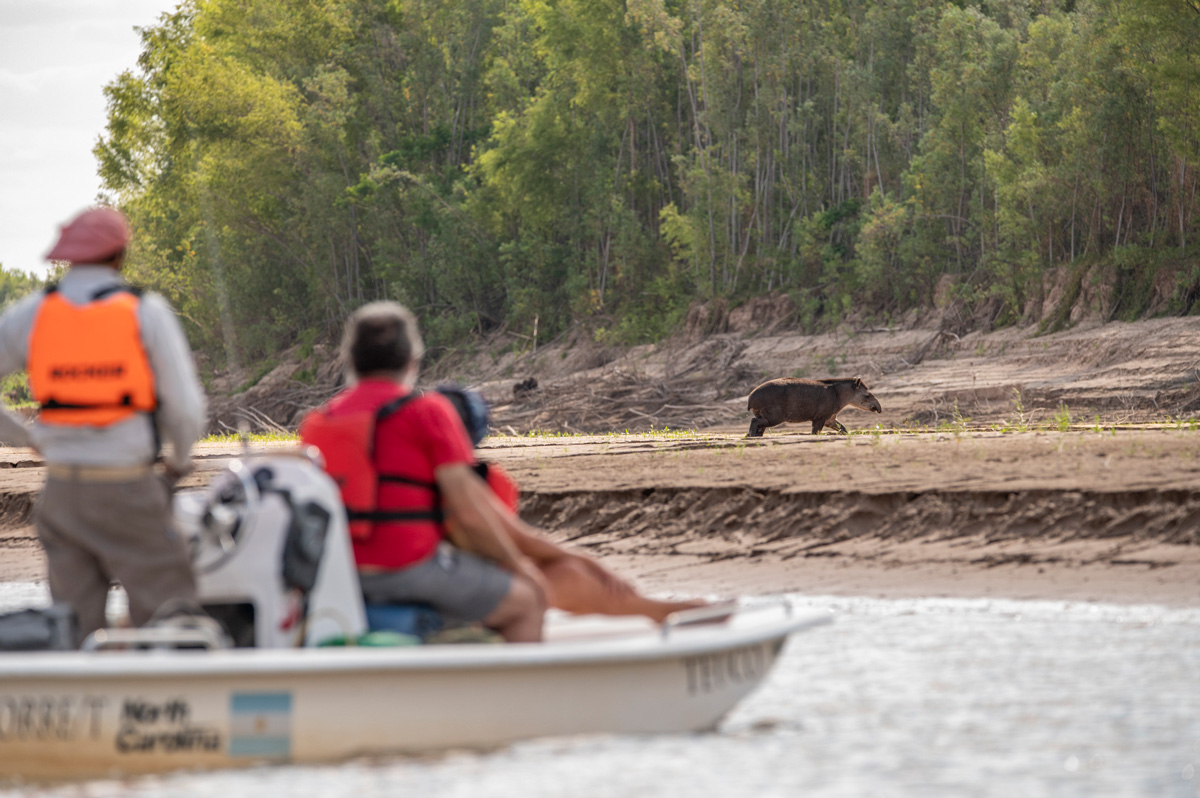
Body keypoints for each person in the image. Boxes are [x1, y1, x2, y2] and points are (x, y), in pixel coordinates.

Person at [0, 207, 208, 646]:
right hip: (127, 489)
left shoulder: (32, 313)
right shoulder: (144, 311)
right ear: (120, 256)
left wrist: (26, 438)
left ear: (68, 258)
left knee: (72, 629)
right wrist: (178, 462)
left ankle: (82, 707)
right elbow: (186, 410)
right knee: (171, 618)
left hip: (62, 494)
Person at [300, 302, 549, 642]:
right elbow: (469, 514)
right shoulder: (428, 412)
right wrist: (521, 568)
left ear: (350, 360)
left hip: (339, 575)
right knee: (525, 601)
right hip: (407, 568)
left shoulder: (316, 423)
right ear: (412, 361)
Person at [440, 387, 711, 623]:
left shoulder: (415, 471)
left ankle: (650, 609)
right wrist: (593, 565)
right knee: (572, 575)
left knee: (567, 570)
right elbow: (519, 541)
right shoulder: (479, 480)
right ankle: (654, 610)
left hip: (449, 577)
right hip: (460, 587)